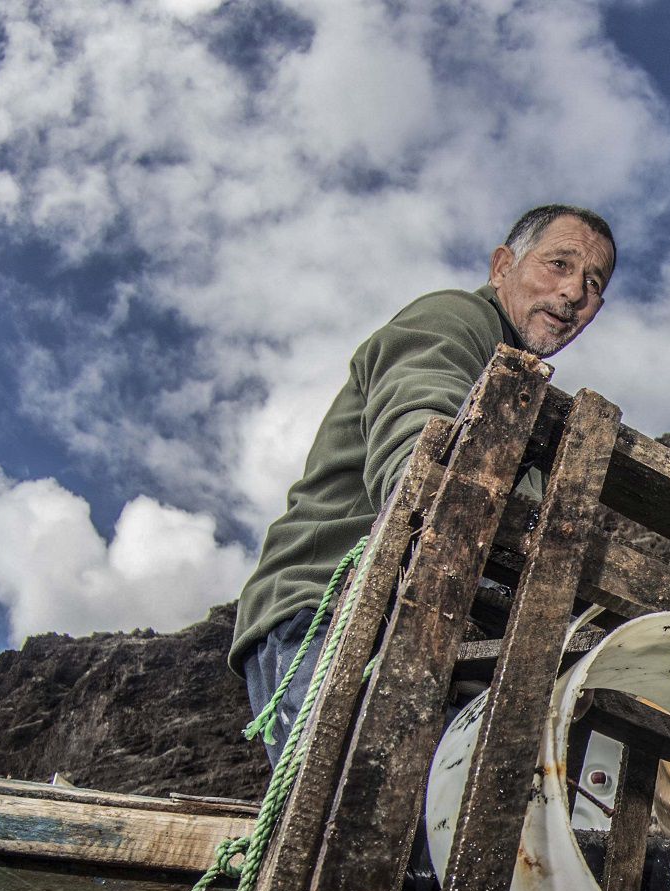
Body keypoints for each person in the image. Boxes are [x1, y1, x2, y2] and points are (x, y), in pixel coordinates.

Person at [229, 205, 617, 761]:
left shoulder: (525, 398)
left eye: (592, 283)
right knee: (359, 820)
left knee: (441, 833)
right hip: (331, 612)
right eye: (558, 264)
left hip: (429, 624)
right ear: (502, 265)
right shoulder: (455, 318)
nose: (573, 291)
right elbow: (420, 420)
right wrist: (436, 494)